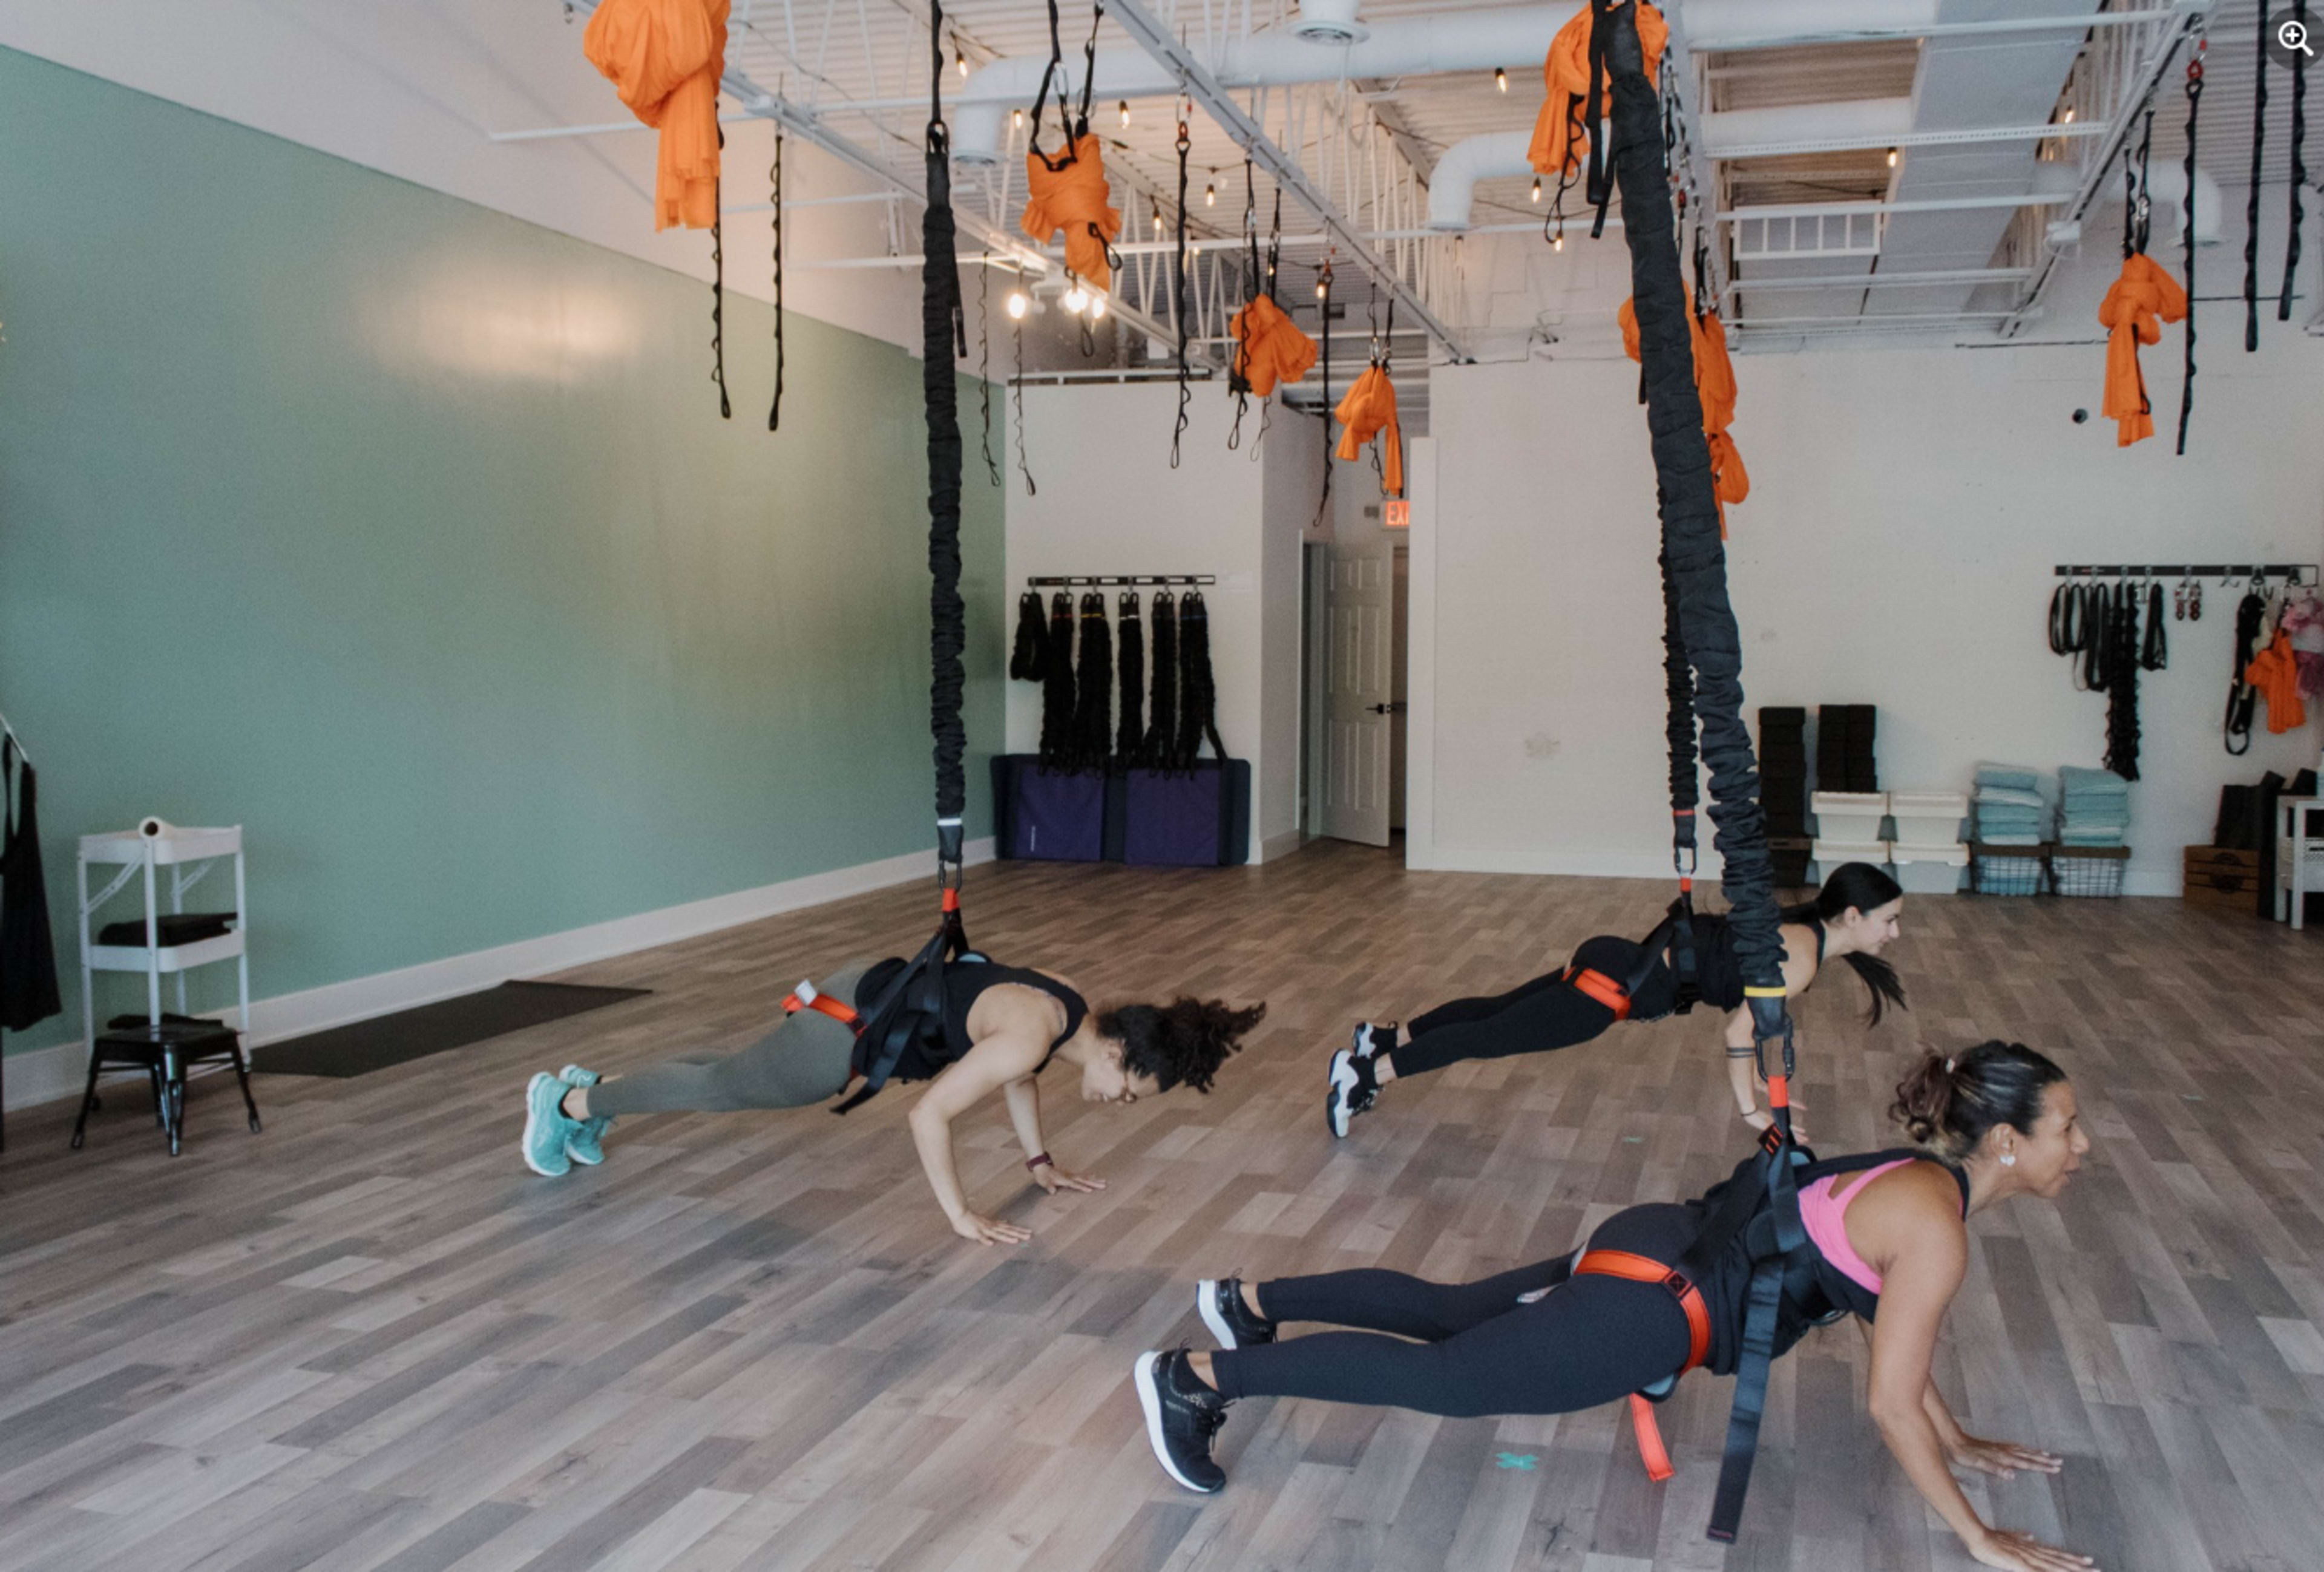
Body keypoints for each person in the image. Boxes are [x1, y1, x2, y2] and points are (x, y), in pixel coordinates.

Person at [1137, 1041, 2093, 1571]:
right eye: (2069, 1128)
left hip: (1655, 1241)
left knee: (1450, 1312)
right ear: (2006, 1140)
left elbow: (1897, 1344)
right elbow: (1889, 1401)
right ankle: (1196, 1379)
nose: (2082, 1145)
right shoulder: (1939, 1230)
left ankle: (1246, 1302)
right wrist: (1978, 1536)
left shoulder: (1924, 1181)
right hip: (1656, 1309)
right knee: (1449, 1379)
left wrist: (1959, 1437)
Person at [520, 957, 1263, 1245]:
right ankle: (566, 1107)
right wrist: (960, 1215)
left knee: (729, 1072)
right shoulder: (1034, 1036)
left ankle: (594, 1091)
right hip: (844, 1034)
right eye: (1131, 1091)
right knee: (721, 1087)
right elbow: (927, 1114)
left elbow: (1018, 1076)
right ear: (1115, 1052)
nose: (1120, 1103)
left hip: (860, 1000)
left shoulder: (1067, 1007)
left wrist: (1039, 1161)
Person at [1325, 862, 1906, 1142]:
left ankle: (1384, 1038)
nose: (1894, 934)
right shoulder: (1801, 957)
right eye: (1890, 921)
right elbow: (1738, 1034)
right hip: (1611, 993)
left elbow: (1759, 1030)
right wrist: (1751, 1110)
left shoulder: (1799, 935)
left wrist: (1759, 1083)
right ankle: (1363, 1072)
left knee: (1493, 1012)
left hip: (1613, 959)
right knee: (1489, 1034)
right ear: (1853, 916)